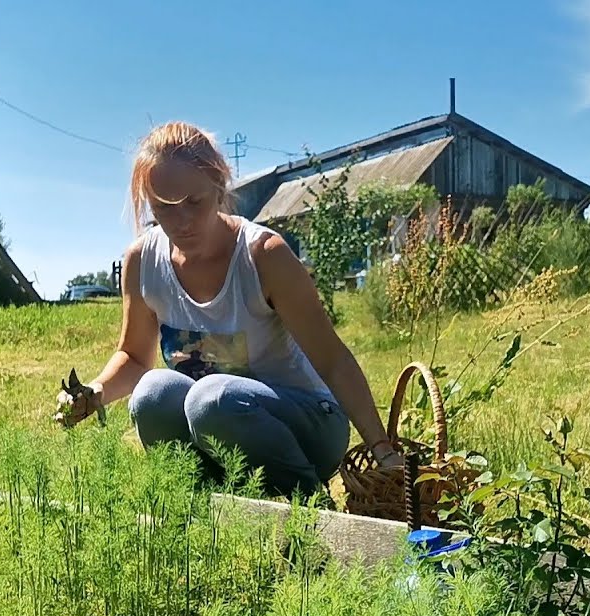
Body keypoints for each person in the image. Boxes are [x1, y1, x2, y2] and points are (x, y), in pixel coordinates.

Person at [55, 120, 404, 497]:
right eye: (164, 208)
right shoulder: (143, 260)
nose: (181, 221)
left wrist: (382, 451)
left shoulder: (263, 256)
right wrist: (93, 393)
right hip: (216, 429)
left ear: (219, 187)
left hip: (309, 425)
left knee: (213, 399)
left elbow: (332, 360)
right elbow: (135, 358)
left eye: (194, 202)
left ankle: (306, 505)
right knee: (152, 392)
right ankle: (206, 509)